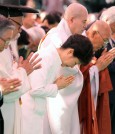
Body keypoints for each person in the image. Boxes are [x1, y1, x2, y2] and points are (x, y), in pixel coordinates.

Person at [21, 34, 93, 134]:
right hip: (28, 113)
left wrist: (54, 84)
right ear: (70, 51)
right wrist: (57, 86)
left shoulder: (54, 59)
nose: (73, 66)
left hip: (35, 112)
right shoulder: (46, 57)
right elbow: (35, 89)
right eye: (75, 62)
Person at [37, 3, 88, 134]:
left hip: (57, 96)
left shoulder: (68, 38)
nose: (85, 26)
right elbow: (59, 72)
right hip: (51, 99)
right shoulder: (55, 38)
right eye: (83, 21)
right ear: (71, 20)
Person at [0, 1, 41, 134]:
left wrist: (20, 70)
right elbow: (9, 88)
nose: (20, 31)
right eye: (19, 26)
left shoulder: (8, 44)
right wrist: (23, 71)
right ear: (8, 21)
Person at [78, 20, 115, 134]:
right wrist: (98, 67)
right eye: (105, 40)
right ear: (94, 33)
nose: (104, 45)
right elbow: (76, 76)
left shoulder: (90, 47)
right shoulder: (79, 44)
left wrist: (100, 64)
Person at [97, 6, 115, 134]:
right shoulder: (101, 38)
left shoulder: (111, 40)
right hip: (107, 91)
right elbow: (102, 62)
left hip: (114, 91)